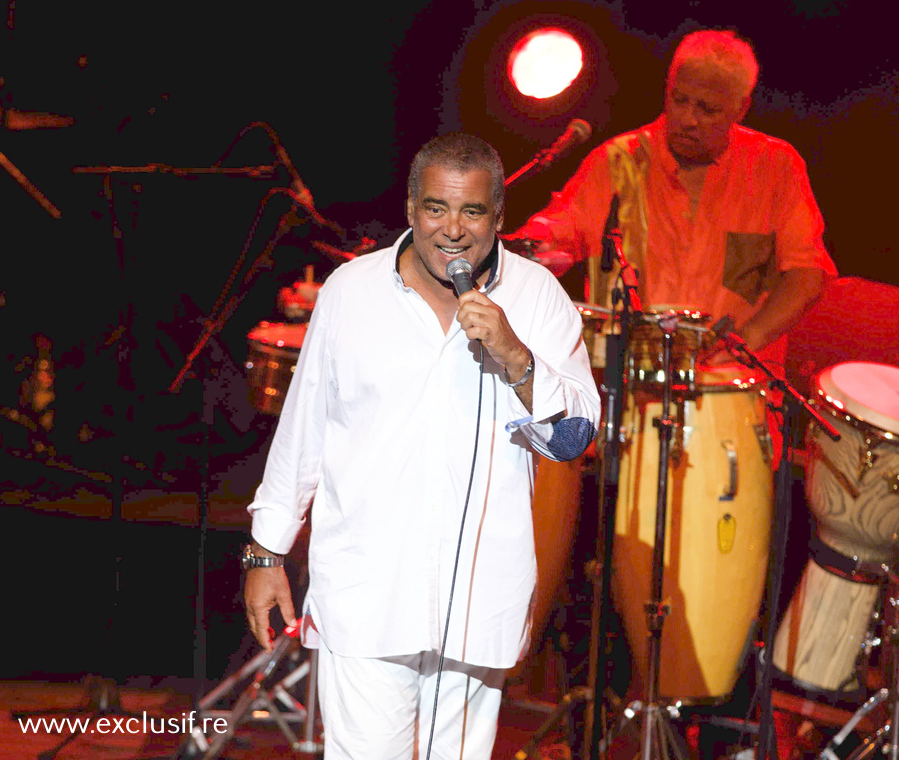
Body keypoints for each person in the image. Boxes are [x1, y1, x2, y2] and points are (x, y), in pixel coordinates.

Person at [243, 133, 601, 759]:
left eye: (473, 212)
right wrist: (266, 552)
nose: (453, 230)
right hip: (366, 589)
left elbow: (570, 443)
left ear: (499, 217)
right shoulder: (351, 292)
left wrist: (517, 358)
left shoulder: (537, 296)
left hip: (477, 602)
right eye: (436, 208)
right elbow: (303, 429)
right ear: (411, 209)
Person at [510, 29, 837, 368]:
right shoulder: (617, 162)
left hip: (734, 388)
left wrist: (748, 338)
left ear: (741, 108)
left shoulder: (776, 167)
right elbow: (557, 230)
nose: (687, 120)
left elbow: (807, 276)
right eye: (679, 99)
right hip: (629, 388)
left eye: (707, 109)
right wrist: (536, 246)